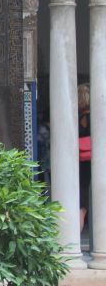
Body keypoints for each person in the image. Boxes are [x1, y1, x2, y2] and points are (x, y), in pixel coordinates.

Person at [80, 83, 91, 231]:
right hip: (90, 162)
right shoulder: (91, 116)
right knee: (82, 206)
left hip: (77, 161)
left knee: (80, 204)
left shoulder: (75, 115)